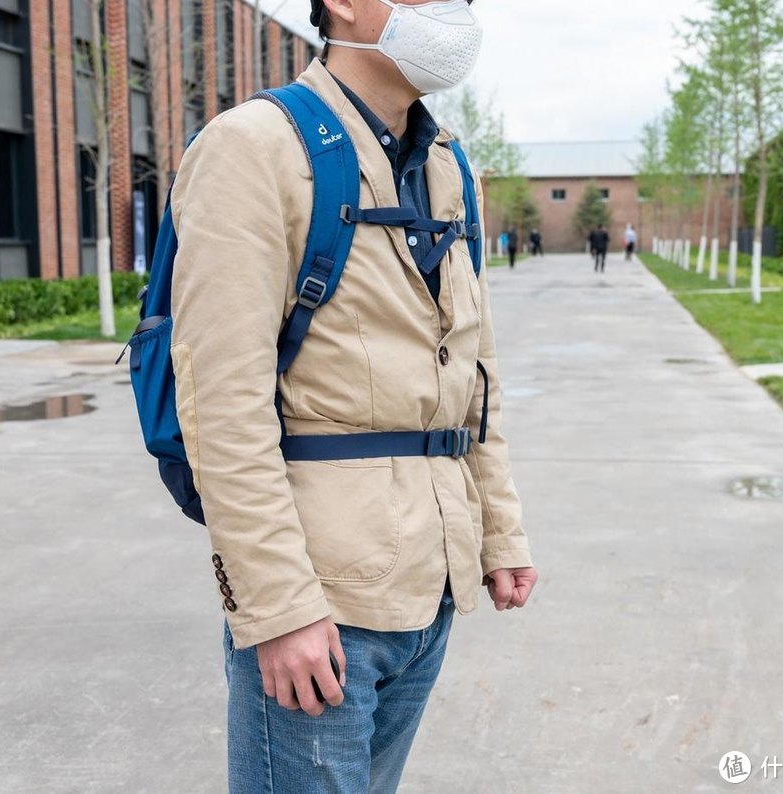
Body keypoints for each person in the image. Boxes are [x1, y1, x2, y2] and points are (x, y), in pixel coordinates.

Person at [168, 0, 538, 790]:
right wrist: (277, 609)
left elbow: (474, 374)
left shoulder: (447, 163)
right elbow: (221, 403)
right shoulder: (254, 148)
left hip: (430, 581)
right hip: (322, 596)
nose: (452, 13)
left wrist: (499, 532)